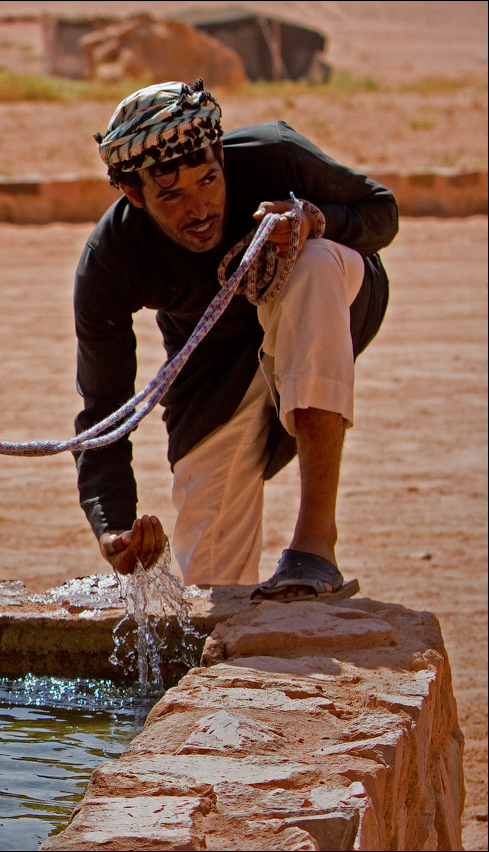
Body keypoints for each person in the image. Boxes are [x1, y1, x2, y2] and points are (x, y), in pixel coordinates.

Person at [73, 79, 398, 601]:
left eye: (208, 181)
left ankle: (315, 545)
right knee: (212, 586)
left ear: (222, 155)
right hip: (212, 363)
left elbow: (381, 212)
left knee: (310, 266)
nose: (199, 209)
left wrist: (315, 220)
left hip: (334, 298)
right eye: (172, 195)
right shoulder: (111, 258)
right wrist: (112, 526)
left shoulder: (275, 155)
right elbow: (104, 408)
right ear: (134, 194)